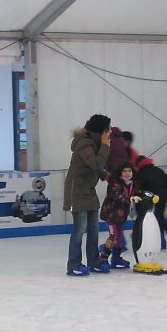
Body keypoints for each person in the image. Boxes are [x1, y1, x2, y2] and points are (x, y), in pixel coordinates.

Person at [64, 114, 111, 276]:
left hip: (88, 189)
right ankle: (73, 264)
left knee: (94, 228)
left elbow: (94, 166)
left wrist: (106, 176)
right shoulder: (84, 143)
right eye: (108, 129)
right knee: (80, 228)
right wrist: (105, 146)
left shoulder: (93, 142)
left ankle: (93, 261)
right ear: (101, 130)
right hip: (76, 190)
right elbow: (95, 163)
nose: (110, 132)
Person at [129, 146, 167, 251]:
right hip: (163, 196)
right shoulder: (158, 170)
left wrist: (134, 196)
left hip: (151, 197)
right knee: (159, 218)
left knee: (152, 219)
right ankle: (164, 240)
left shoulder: (141, 173)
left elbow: (137, 187)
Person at [98, 163, 134, 269]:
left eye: (129, 171)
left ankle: (116, 258)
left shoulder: (131, 184)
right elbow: (116, 196)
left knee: (119, 238)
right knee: (113, 236)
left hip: (121, 216)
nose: (127, 173)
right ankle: (103, 258)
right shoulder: (115, 183)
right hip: (111, 215)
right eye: (124, 171)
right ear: (120, 173)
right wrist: (130, 199)